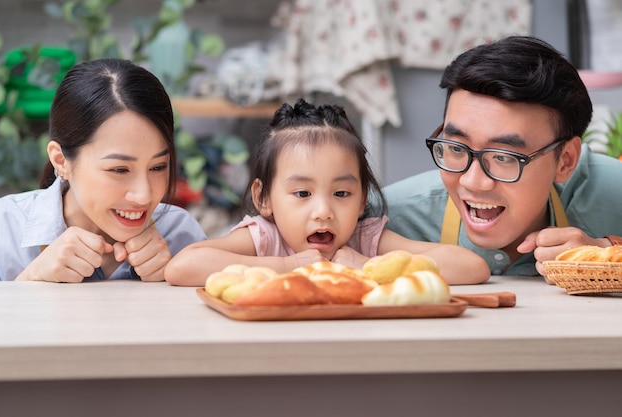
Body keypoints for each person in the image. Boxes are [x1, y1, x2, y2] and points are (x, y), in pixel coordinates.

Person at [164, 98, 490, 286]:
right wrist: (286, 268)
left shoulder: (365, 240)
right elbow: (183, 267)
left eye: (341, 194)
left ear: (363, 198)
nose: (323, 211)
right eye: (303, 194)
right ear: (264, 198)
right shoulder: (266, 239)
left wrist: (366, 265)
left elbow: (471, 267)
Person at [382, 36, 622, 281]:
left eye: (503, 157)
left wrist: (607, 251)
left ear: (566, 161)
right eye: (457, 149)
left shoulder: (611, 191)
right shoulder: (384, 213)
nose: (473, 182)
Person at [0, 58, 207, 282]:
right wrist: (31, 278)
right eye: (119, 170)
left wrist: (171, 281)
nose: (144, 195)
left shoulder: (180, 235)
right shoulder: (3, 229)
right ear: (61, 161)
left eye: (157, 167)